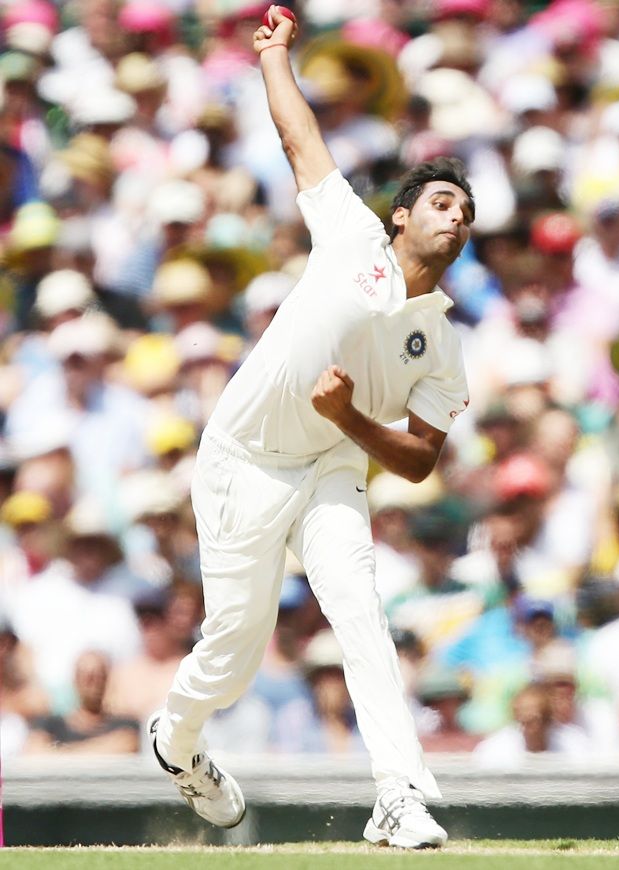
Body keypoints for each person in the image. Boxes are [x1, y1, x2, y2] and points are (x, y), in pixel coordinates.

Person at [148, 5, 473, 850]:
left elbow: (417, 464)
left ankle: (399, 797)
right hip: (243, 459)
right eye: (442, 201)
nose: (457, 217)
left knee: (362, 616)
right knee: (236, 648)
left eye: (466, 212)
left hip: (333, 464)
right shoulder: (350, 232)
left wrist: (348, 418)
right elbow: (299, 141)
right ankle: (177, 742)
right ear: (401, 216)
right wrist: (275, 54)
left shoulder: (441, 341)